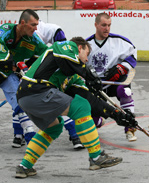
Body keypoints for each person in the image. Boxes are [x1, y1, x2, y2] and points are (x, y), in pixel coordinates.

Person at [15, 37, 137, 178]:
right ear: (79, 48)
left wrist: (116, 114)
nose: (86, 60)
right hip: (37, 89)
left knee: (54, 127)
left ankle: (24, 166)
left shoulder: (72, 76)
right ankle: (96, 157)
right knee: (80, 107)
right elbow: (69, 58)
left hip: (26, 98)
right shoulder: (66, 46)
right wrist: (91, 75)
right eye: (86, 54)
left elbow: (90, 99)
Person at [0, 9, 49, 147]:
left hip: (7, 74)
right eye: (33, 25)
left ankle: (28, 134)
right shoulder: (5, 30)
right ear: (23, 23)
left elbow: (45, 54)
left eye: (36, 25)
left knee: (19, 100)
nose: (36, 28)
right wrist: (14, 64)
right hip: (4, 69)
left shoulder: (33, 39)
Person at [86, 13, 138, 142]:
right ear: (96, 25)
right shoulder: (87, 44)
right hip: (97, 85)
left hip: (114, 82)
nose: (107, 28)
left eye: (109, 25)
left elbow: (133, 56)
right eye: (103, 25)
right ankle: (99, 121)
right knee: (94, 121)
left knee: (124, 91)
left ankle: (129, 129)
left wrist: (122, 67)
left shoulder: (120, 41)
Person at [35, 20, 84, 150]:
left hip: (46, 71)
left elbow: (62, 46)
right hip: (38, 75)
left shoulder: (50, 30)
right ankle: (23, 134)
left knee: (62, 105)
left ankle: (75, 135)